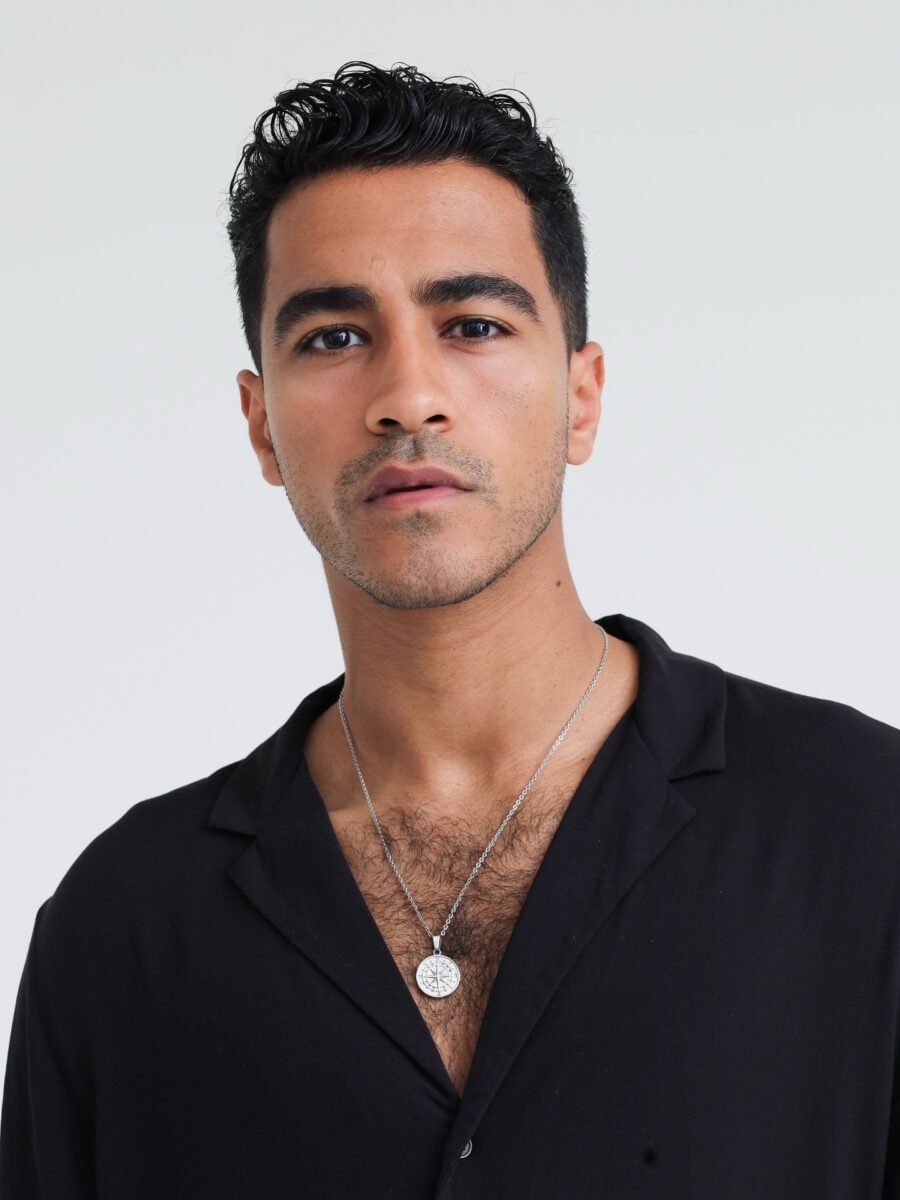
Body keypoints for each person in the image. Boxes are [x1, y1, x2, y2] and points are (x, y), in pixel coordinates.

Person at [2, 59, 898, 1200]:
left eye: (473, 323)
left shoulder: (865, 834)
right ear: (261, 425)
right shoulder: (124, 930)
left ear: (582, 395)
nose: (408, 397)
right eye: (334, 337)